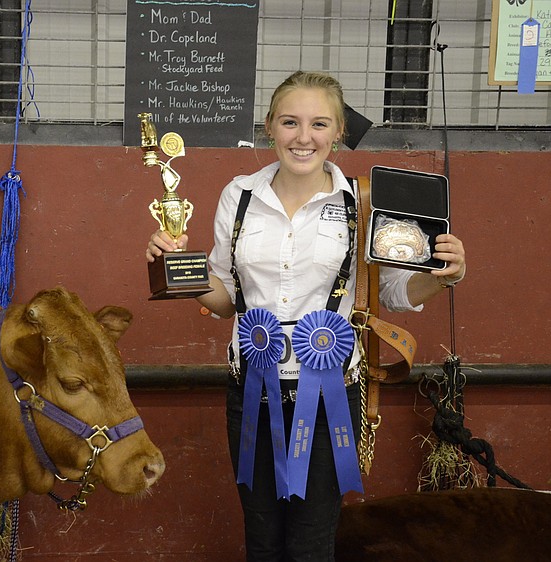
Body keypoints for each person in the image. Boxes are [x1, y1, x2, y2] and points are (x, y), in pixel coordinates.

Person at [145, 71, 466, 561]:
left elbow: (396, 292)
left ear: (338, 132)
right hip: (251, 392)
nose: (303, 137)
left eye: (319, 124)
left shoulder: (363, 201)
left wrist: (443, 275)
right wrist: (175, 269)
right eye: (290, 122)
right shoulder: (239, 197)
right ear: (270, 127)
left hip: (331, 396)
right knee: (262, 539)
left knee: (312, 543)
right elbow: (226, 297)